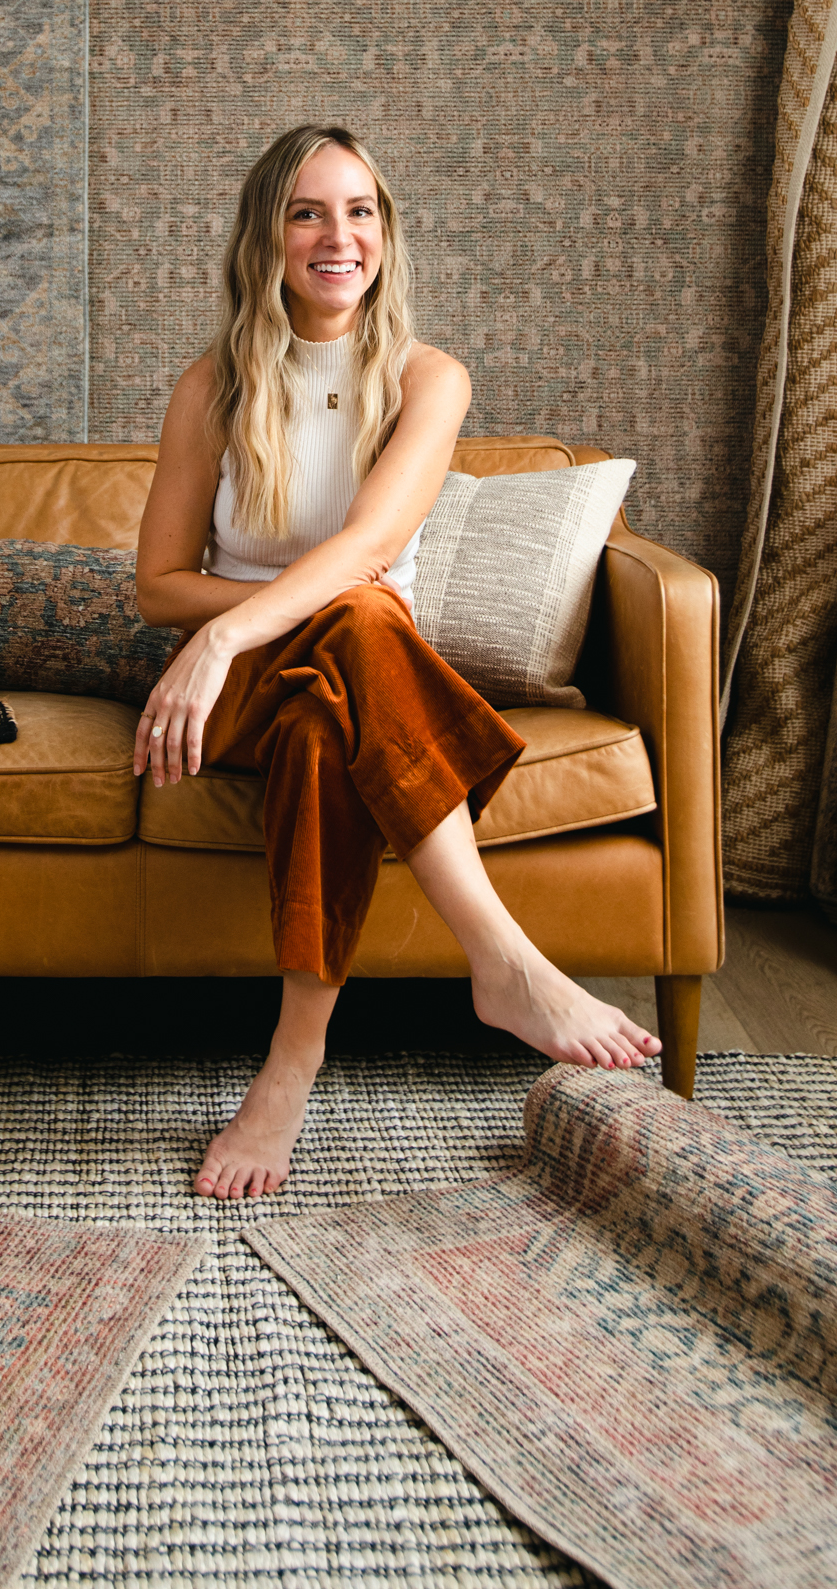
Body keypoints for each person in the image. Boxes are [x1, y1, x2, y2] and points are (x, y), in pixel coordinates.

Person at [133, 123, 661, 1201]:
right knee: (360, 621)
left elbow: (370, 545)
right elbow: (155, 585)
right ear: (265, 236)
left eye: (360, 209)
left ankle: (290, 1068)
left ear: (386, 231)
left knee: (350, 668)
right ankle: (504, 965)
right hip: (239, 694)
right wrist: (237, 634)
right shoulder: (210, 388)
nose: (339, 235)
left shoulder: (428, 378)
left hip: (344, 686)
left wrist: (226, 628)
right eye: (308, 211)